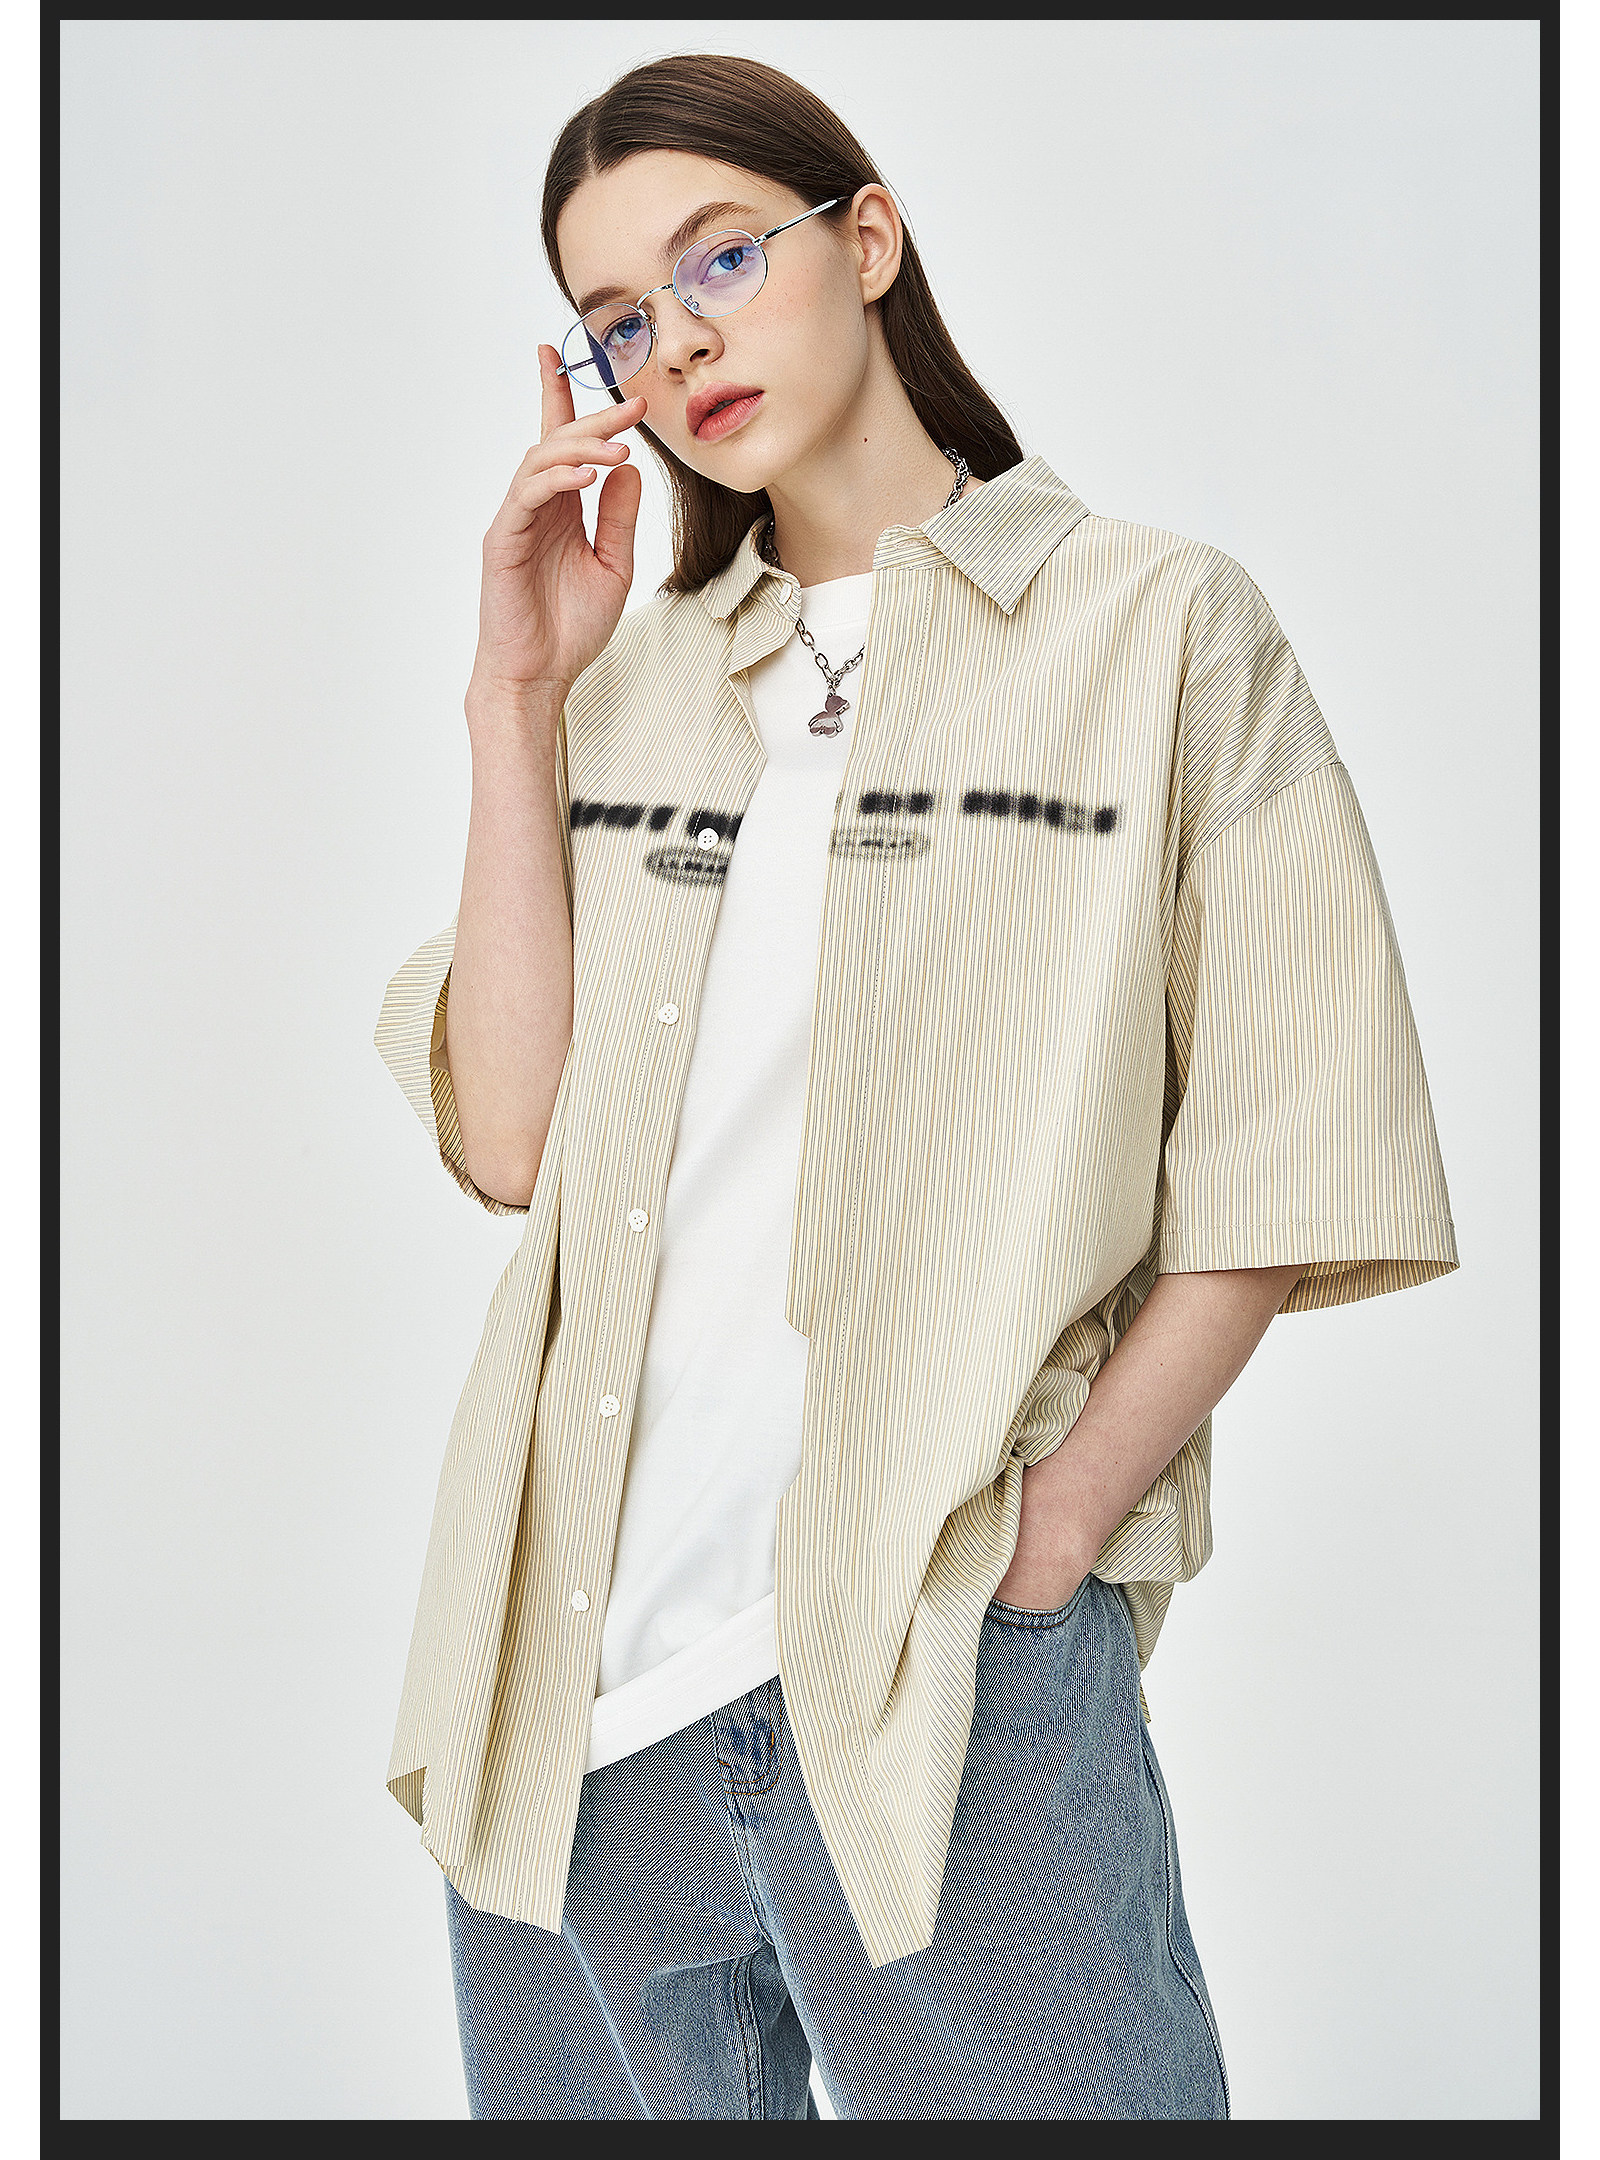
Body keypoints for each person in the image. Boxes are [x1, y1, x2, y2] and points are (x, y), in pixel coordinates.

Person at [372, 53, 1459, 2122]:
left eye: (721, 258)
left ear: (865, 239)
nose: (679, 341)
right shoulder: (630, 679)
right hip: (572, 1708)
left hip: (941, 1677)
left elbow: (1290, 1141)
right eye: (619, 318)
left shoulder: (1154, 628)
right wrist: (515, 697)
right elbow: (511, 1140)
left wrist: (1048, 1543)